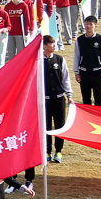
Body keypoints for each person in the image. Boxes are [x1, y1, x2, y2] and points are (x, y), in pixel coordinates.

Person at [41, 35, 71, 163]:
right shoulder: (38, 62)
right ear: (45, 46)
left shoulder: (59, 59)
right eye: (51, 44)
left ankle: (58, 151)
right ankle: (47, 152)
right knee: (46, 126)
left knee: (60, 126)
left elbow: (65, 78)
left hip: (59, 99)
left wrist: (69, 95)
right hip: (45, 100)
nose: (54, 46)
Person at [73, 15, 101, 106]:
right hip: (84, 73)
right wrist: (77, 72)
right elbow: (77, 56)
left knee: (98, 97)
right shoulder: (80, 40)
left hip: (97, 72)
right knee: (86, 98)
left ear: (95, 26)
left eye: (90, 24)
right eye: (86, 24)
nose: (88, 26)